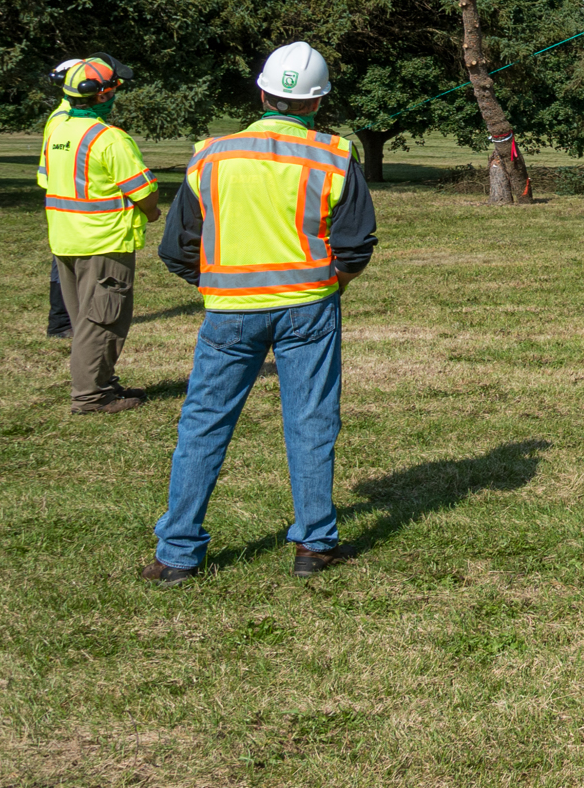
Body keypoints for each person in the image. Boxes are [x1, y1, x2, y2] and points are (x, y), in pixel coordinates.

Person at [144, 42, 378, 582]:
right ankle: (314, 545)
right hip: (309, 310)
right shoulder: (336, 154)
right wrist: (328, 285)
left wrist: (221, 287)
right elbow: (355, 245)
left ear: (263, 91)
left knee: (202, 426)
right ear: (318, 101)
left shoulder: (210, 153)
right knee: (312, 423)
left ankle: (178, 553)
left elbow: (176, 248)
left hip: (228, 314)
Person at [37, 56, 160, 414]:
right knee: (103, 320)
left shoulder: (57, 131)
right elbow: (143, 191)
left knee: (84, 320)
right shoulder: (109, 138)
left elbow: (47, 179)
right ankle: (91, 397)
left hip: (65, 240)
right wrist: (152, 212)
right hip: (103, 242)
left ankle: (102, 382)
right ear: (104, 95)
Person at [41, 56, 86, 340]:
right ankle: (60, 323)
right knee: (64, 263)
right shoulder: (63, 119)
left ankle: (69, 319)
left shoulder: (68, 114)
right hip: (68, 198)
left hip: (66, 196)